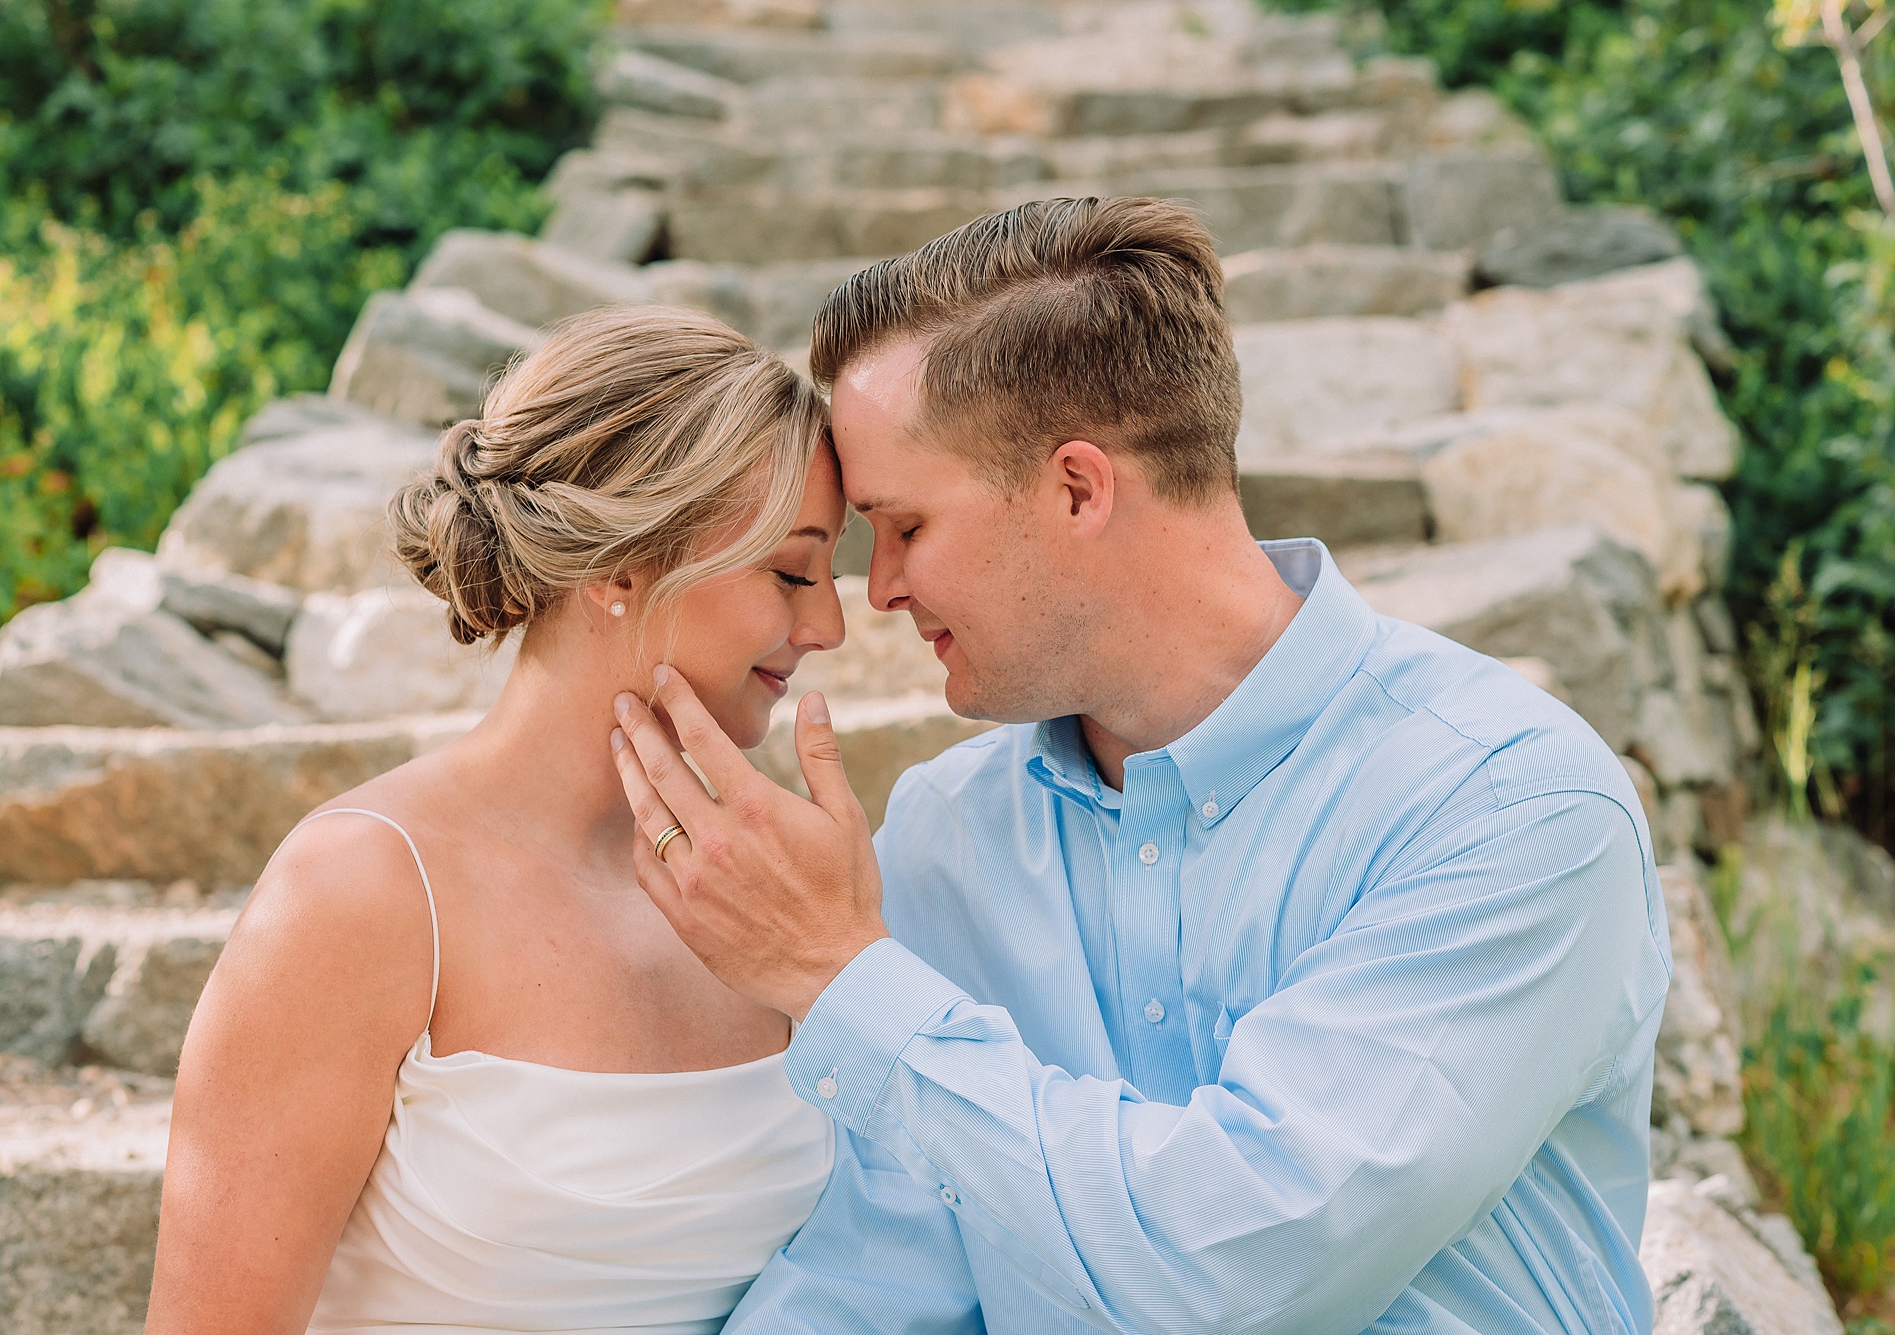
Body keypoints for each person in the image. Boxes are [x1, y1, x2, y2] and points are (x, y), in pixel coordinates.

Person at [609, 197, 1673, 1334]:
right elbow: (881, 1271)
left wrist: (837, 980)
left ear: (1077, 488)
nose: (879, 593)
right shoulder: (943, 832)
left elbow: (1247, 1271)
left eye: (904, 527)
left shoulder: (1504, 805)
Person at [147, 305, 849, 1334]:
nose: (828, 623)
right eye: (791, 571)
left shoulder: (779, 873)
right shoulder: (358, 893)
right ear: (618, 568)